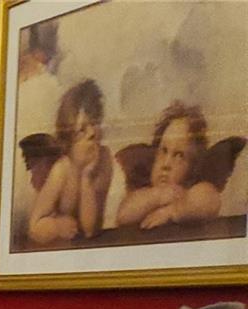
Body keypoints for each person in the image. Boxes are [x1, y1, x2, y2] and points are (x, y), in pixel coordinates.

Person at [117, 102, 224, 230]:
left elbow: (210, 200)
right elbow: (123, 215)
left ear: (193, 167)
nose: (166, 164)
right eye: (163, 151)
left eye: (179, 155)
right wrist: (157, 196)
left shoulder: (191, 192)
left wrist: (173, 212)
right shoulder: (145, 194)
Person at [28, 79, 108, 245]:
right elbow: (34, 227)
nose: (92, 133)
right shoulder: (62, 170)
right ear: (69, 141)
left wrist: (86, 177)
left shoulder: (104, 159)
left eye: (95, 123)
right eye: (82, 131)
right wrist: (56, 226)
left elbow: (89, 230)